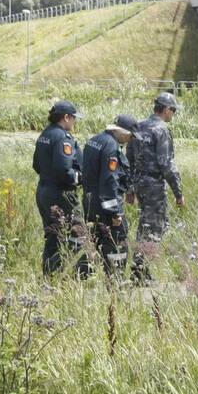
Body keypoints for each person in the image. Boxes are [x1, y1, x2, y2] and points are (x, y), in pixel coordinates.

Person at [127, 92, 185, 281]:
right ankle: (140, 270)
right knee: (156, 226)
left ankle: (140, 267)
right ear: (167, 109)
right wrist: (178, 192)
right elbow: (166, 164)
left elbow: (128, 159)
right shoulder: (161, 130)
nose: (173, 114)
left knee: (146, 223)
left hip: (139, 184)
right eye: (173, 110)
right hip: (154, 185)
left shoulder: (139, 127)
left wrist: (130, 188)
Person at [32, 100, 90, 277]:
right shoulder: (62, 137)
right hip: (61, 194)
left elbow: (36, 165)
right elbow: (65, 171)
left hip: (44, 190)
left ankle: (50, 275)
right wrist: (81, 178)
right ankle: (82, 274)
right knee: (78, 233)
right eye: (73, 118)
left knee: (53, 235)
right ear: (66, 117)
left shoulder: (45, 134)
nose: (74, 122)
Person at [82, 114, 139, 277]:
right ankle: (116, 279)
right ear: (122, 131)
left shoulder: (95, 140)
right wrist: (115, 212)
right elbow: (109, 180)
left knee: (96, 239)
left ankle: (86, 278)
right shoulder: (111, 147)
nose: (130, 139)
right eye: (130, 135)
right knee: (117, 241)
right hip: (106, 204)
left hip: (90, 201)